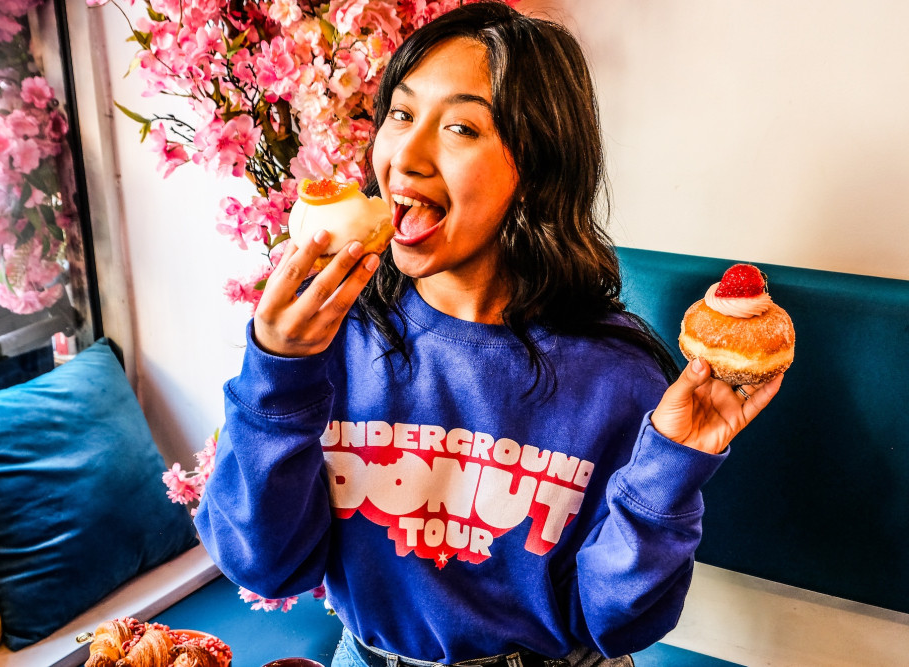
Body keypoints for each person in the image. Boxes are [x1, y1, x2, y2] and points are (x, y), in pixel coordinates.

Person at [194, 2, 784, 666]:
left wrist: (672, 467)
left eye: (460, 127)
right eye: (400, 114)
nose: (407, 156)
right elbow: (266, 565)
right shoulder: (329, 339)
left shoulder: (617, 378)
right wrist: (277, 372)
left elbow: (617, 620)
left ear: (535, 168)